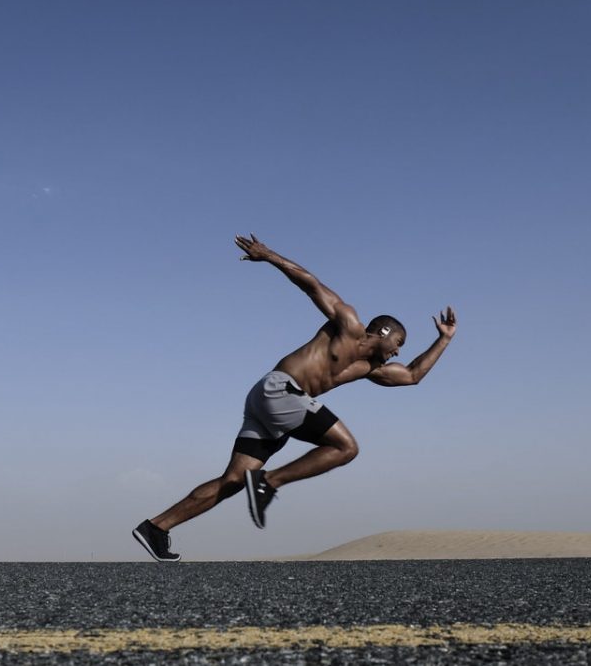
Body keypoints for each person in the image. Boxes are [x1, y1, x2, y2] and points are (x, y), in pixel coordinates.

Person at [133, 234, 456, 562]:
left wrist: (443, 341)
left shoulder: (369, 368)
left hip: (272, 406)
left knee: (233, 480)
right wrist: (269, 255)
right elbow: (311, 284)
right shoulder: (347, 323)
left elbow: (413, 375)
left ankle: (157, 527)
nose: (399, 351)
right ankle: (269, 483)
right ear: (383, 333)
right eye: (398, 342)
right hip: (280, 390)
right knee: (347, 448)